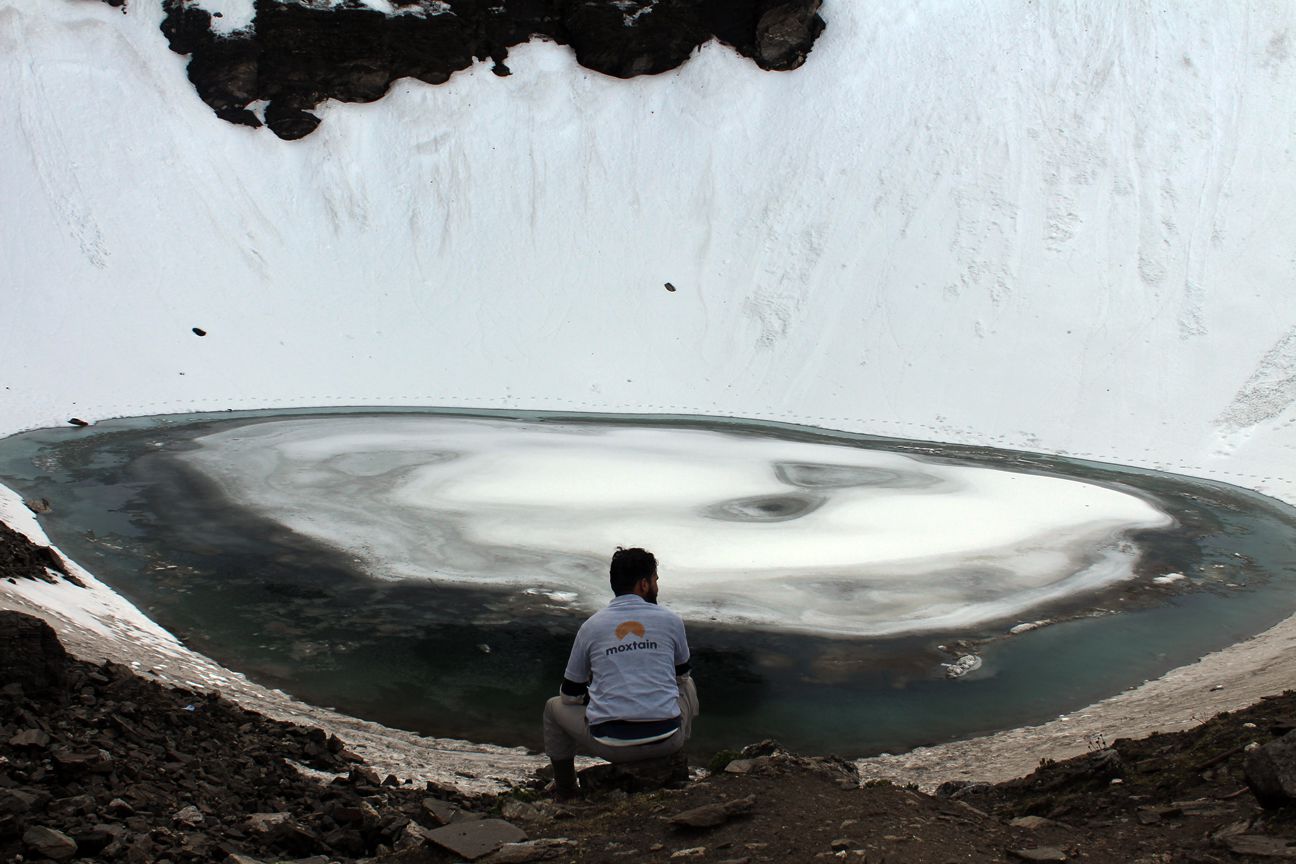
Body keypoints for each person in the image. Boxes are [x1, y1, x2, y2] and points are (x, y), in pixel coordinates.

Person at [542, 547, 699, 799]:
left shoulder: (591, 627)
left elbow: (570, 694)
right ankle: (674, 763)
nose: (657, 586)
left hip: (612, 746)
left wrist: (596, 698)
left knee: (552, 708)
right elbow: (681, 676)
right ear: (644, 584)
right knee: (688, 683)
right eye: (656, 580)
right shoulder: (671, 620)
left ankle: (566, 790)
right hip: (668, 739)